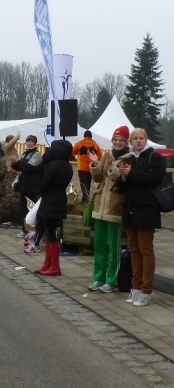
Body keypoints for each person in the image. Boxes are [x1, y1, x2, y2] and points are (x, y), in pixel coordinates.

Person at [115, 128, 166, 307]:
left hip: (147, 211)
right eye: (135, 138)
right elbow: (120, 186)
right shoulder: (129, 159)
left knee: (146, 251)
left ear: (146, 140)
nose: (138, 141)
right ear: (131, 141)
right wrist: (123, 177)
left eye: (141, 138)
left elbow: (154, 179)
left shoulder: (154, 157)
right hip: (131, 211)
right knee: (134, 250)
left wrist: (131, 174)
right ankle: (135, 286)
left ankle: (147, 289)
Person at [87, 125, 131, 293]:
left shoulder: (129, 159)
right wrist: (95, 164)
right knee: (99, 245)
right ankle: (99, 277)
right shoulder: (106, 155)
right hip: (100, 206)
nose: (117, 142)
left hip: (115, 207)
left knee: (113, 247)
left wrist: (112, 166)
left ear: (126, 142)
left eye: (121, 140)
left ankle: (112, 280)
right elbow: (98, 178)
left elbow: (121, 182)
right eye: (115, 139)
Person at [33, 139, 74, 276]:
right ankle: (48, 264)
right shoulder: (68, 166)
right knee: (51, 232)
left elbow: (45, 184)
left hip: (50, 200)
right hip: (60, 199)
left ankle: (54, 266)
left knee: (50, 233)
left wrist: (39, 192)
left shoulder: (53, 165)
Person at [10, 135, 44, 240]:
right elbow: (20, 167)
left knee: (31, 210)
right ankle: (25, 230)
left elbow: (30, 167)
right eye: (28, 141)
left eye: (31, 142)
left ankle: (32, 231)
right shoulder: (24, 153)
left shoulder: (37, 155)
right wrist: (14, 163)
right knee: (24, 209)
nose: (29, 143)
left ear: (35, 143)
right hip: (24, 186)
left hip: (33, 187)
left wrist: (18, 162)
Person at [72, 130, 103, 203]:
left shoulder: (80, 143)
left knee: (83, 183)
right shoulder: (95, 145)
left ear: (84, 136)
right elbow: (100, 156)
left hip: (82, 167)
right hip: (90, 167)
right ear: (91, 136)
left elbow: (73, 151)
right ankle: (87, 197)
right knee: (88, 182)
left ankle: (85, 198)